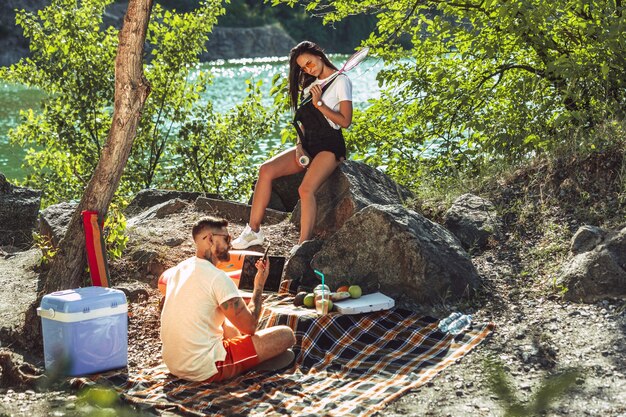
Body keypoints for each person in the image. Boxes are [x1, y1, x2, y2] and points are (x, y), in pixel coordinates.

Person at [232, 40, 353, 255]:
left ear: (319, 55)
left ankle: (302, 246)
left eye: (309, 62)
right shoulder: (310, 85)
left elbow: (345, 121)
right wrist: (299, 146)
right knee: (266, 170)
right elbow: (304, 123)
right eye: (304, 67)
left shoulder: (341, 81)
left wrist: (320, 104)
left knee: (305, 190)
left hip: (329, 146)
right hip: (308, 145)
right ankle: (253, 230)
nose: (308, 68)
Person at [160, 217, 296, 382]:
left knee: (224, 319)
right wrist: (259, 285)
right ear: (210, 239)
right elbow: (251, 327)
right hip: (203, 368)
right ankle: (248, 363)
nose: (230, 245)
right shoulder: (218, 278)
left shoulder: (180, 268)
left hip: (172, 363)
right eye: (226, 239)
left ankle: (247, 356)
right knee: (285, 335)